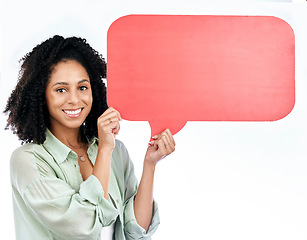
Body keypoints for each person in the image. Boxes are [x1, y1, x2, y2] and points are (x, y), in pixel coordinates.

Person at [4, 35, 175, 240]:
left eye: (82, 87)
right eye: (61, 90)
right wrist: (104, 150)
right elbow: (82, 225)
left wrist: (150, 164)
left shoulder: (115, 150)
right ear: (41, 96)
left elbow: (135, 231)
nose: (75, 99)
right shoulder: (29, 160)